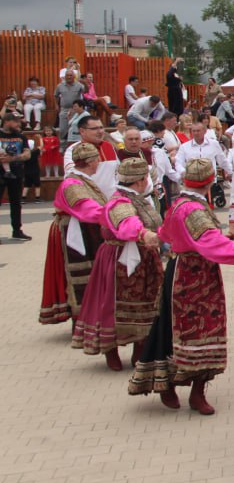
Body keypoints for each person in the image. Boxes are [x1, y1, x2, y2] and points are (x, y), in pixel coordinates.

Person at [128, 159, 234, 414]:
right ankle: (192, 391)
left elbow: (168, 233)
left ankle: (179, 387)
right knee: (197, 328)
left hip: (181, 270)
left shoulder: (179, 204)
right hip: (193, 274)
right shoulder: (193, 210)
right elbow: (208, 241)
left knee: (173, 326)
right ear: (211, 181)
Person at [71, 157, 164, 371]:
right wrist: (142, 233)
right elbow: (126, 222)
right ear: (140, 181)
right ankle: (110, 350)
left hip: (145, 257)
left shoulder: (140, 198)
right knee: (112, 302)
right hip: (119, 258)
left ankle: (139, 351)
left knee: (148, 302)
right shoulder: (120, 201)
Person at [51, 142, 110, 323]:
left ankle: (89, 314)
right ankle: (82, 318)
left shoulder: (83, 180)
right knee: (80, 273)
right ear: (91, 162)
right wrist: (114, 215)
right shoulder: (73, 183)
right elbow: (87, 209)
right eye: (97, 160)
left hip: (85, 230)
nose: (99, 163)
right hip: (74, 231)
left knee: (90, 271)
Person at [0, 114, 32, 241]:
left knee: (16, 203)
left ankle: (17, 230)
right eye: (16, 123)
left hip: (17, 173)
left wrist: (13, 158)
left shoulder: (21, 137)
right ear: (7, 122)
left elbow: (27, 154)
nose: (18, 126)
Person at [53, 70, 85, 142]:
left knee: (75, 127)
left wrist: (85, 83)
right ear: (65, 77)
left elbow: (85, 91)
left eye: (71, 75)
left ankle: (75, 143)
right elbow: (56, 95)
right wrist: (56, 105)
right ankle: (63, 145)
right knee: (63, 129)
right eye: (67, 75)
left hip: (76, 110)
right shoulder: (60, 85)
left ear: (74, 77)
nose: (69, 77)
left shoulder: (79, 85)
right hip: (64, 109)